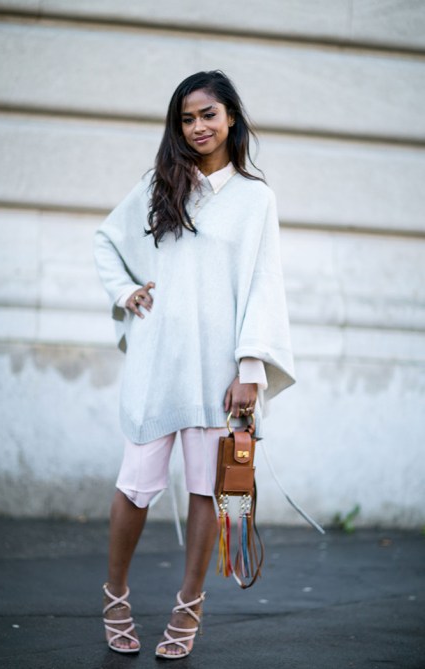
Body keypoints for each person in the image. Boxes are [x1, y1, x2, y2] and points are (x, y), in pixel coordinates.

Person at [94, 70, 295, 660]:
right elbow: (107, 240)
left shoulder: (256, 199)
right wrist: (126, 291)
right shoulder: (160, 184)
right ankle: (115, 595)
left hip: (218, 372)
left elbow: (263, 285)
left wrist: (250, 368)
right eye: (187, 118)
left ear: (231, 117)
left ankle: (189, 605)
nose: (198, 127)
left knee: (208, 489)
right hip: (157, 362)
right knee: (136, 485)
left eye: (208, 114)